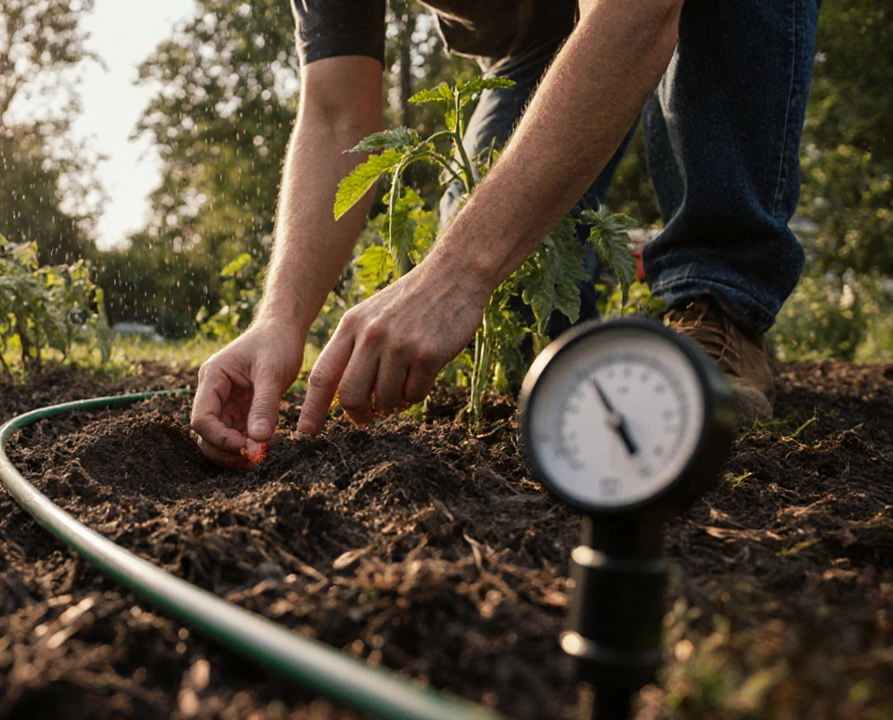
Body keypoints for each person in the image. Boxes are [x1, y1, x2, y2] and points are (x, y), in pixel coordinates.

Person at [190, 0, 821, 468]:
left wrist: (457, 273)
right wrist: (279, 319)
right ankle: (590, 362)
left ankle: (719, 295)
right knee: (510, 301)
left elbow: (638, 12)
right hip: (534, 39)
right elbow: (335, 114)